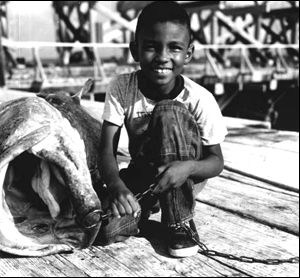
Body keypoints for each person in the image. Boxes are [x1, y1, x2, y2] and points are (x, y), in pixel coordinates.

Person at [96, 1, 228, 258]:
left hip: (183, 176)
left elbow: (216, 161)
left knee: (168, 110)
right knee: (105, 230)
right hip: (145, 174)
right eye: (151, 47)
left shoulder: (198, 97)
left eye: (174, 48)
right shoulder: (122, 87)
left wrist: (188, 168)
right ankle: (148, 213)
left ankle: (179, 220)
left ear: (188, 54)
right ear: (135, 49)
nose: (163, 57)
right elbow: (106, 151)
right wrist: (116, 186)